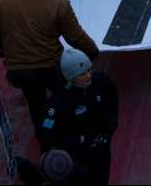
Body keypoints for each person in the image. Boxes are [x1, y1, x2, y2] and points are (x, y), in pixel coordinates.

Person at [0, 0, 101, 137]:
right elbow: (75, 37)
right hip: (50, 67)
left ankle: (44, 137)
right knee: (67, 97)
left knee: (35, 103)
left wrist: (4, 48)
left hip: (19, 69)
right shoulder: (59, 5)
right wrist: (92, 52)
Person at [38, 48, 118, 185]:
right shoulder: (56, 104)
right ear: (70, 77)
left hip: (101, 148)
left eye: (89, 70)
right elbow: (48, 134)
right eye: (81, 74)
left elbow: (113, 99)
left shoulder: (100, 82)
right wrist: (81, 140)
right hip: (76, 157)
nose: (88, 76)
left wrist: (110, 126)